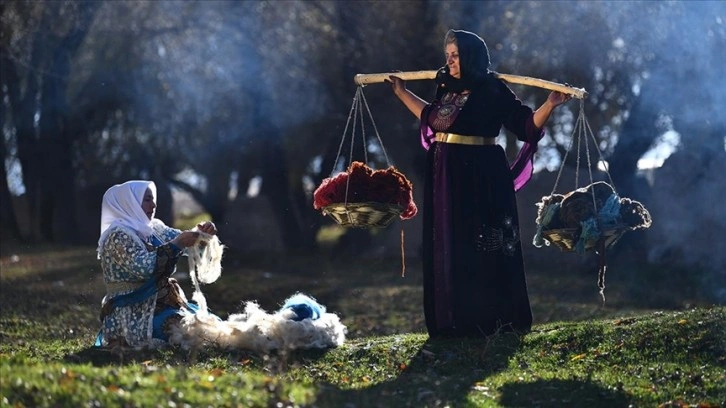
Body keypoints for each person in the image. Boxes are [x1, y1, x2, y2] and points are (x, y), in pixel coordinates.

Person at [388, 29, 571, 337]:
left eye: (455, 55)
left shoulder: (492, 89)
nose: (450, 60)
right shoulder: (447, 88)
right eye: (447, 55)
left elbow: (525, 126)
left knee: (482, 243)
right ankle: (451, 320)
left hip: (481, 174)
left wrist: (550, 105)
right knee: (448, 242)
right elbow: (431, 118)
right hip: (444, 172)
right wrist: (402, 92)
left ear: (471, 55)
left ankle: (488, 320)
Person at [94, 180, 218, 348]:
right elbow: (145, 268)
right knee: (180, 327)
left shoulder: (153, 228)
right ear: (130, 202)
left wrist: (201, 235)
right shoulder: (116, 236)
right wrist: (178, 243)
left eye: (153, 200)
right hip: (131, 311)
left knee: (205, 322)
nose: (153, 205)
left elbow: (185, 241)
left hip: (159, 304)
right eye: (147, 200)